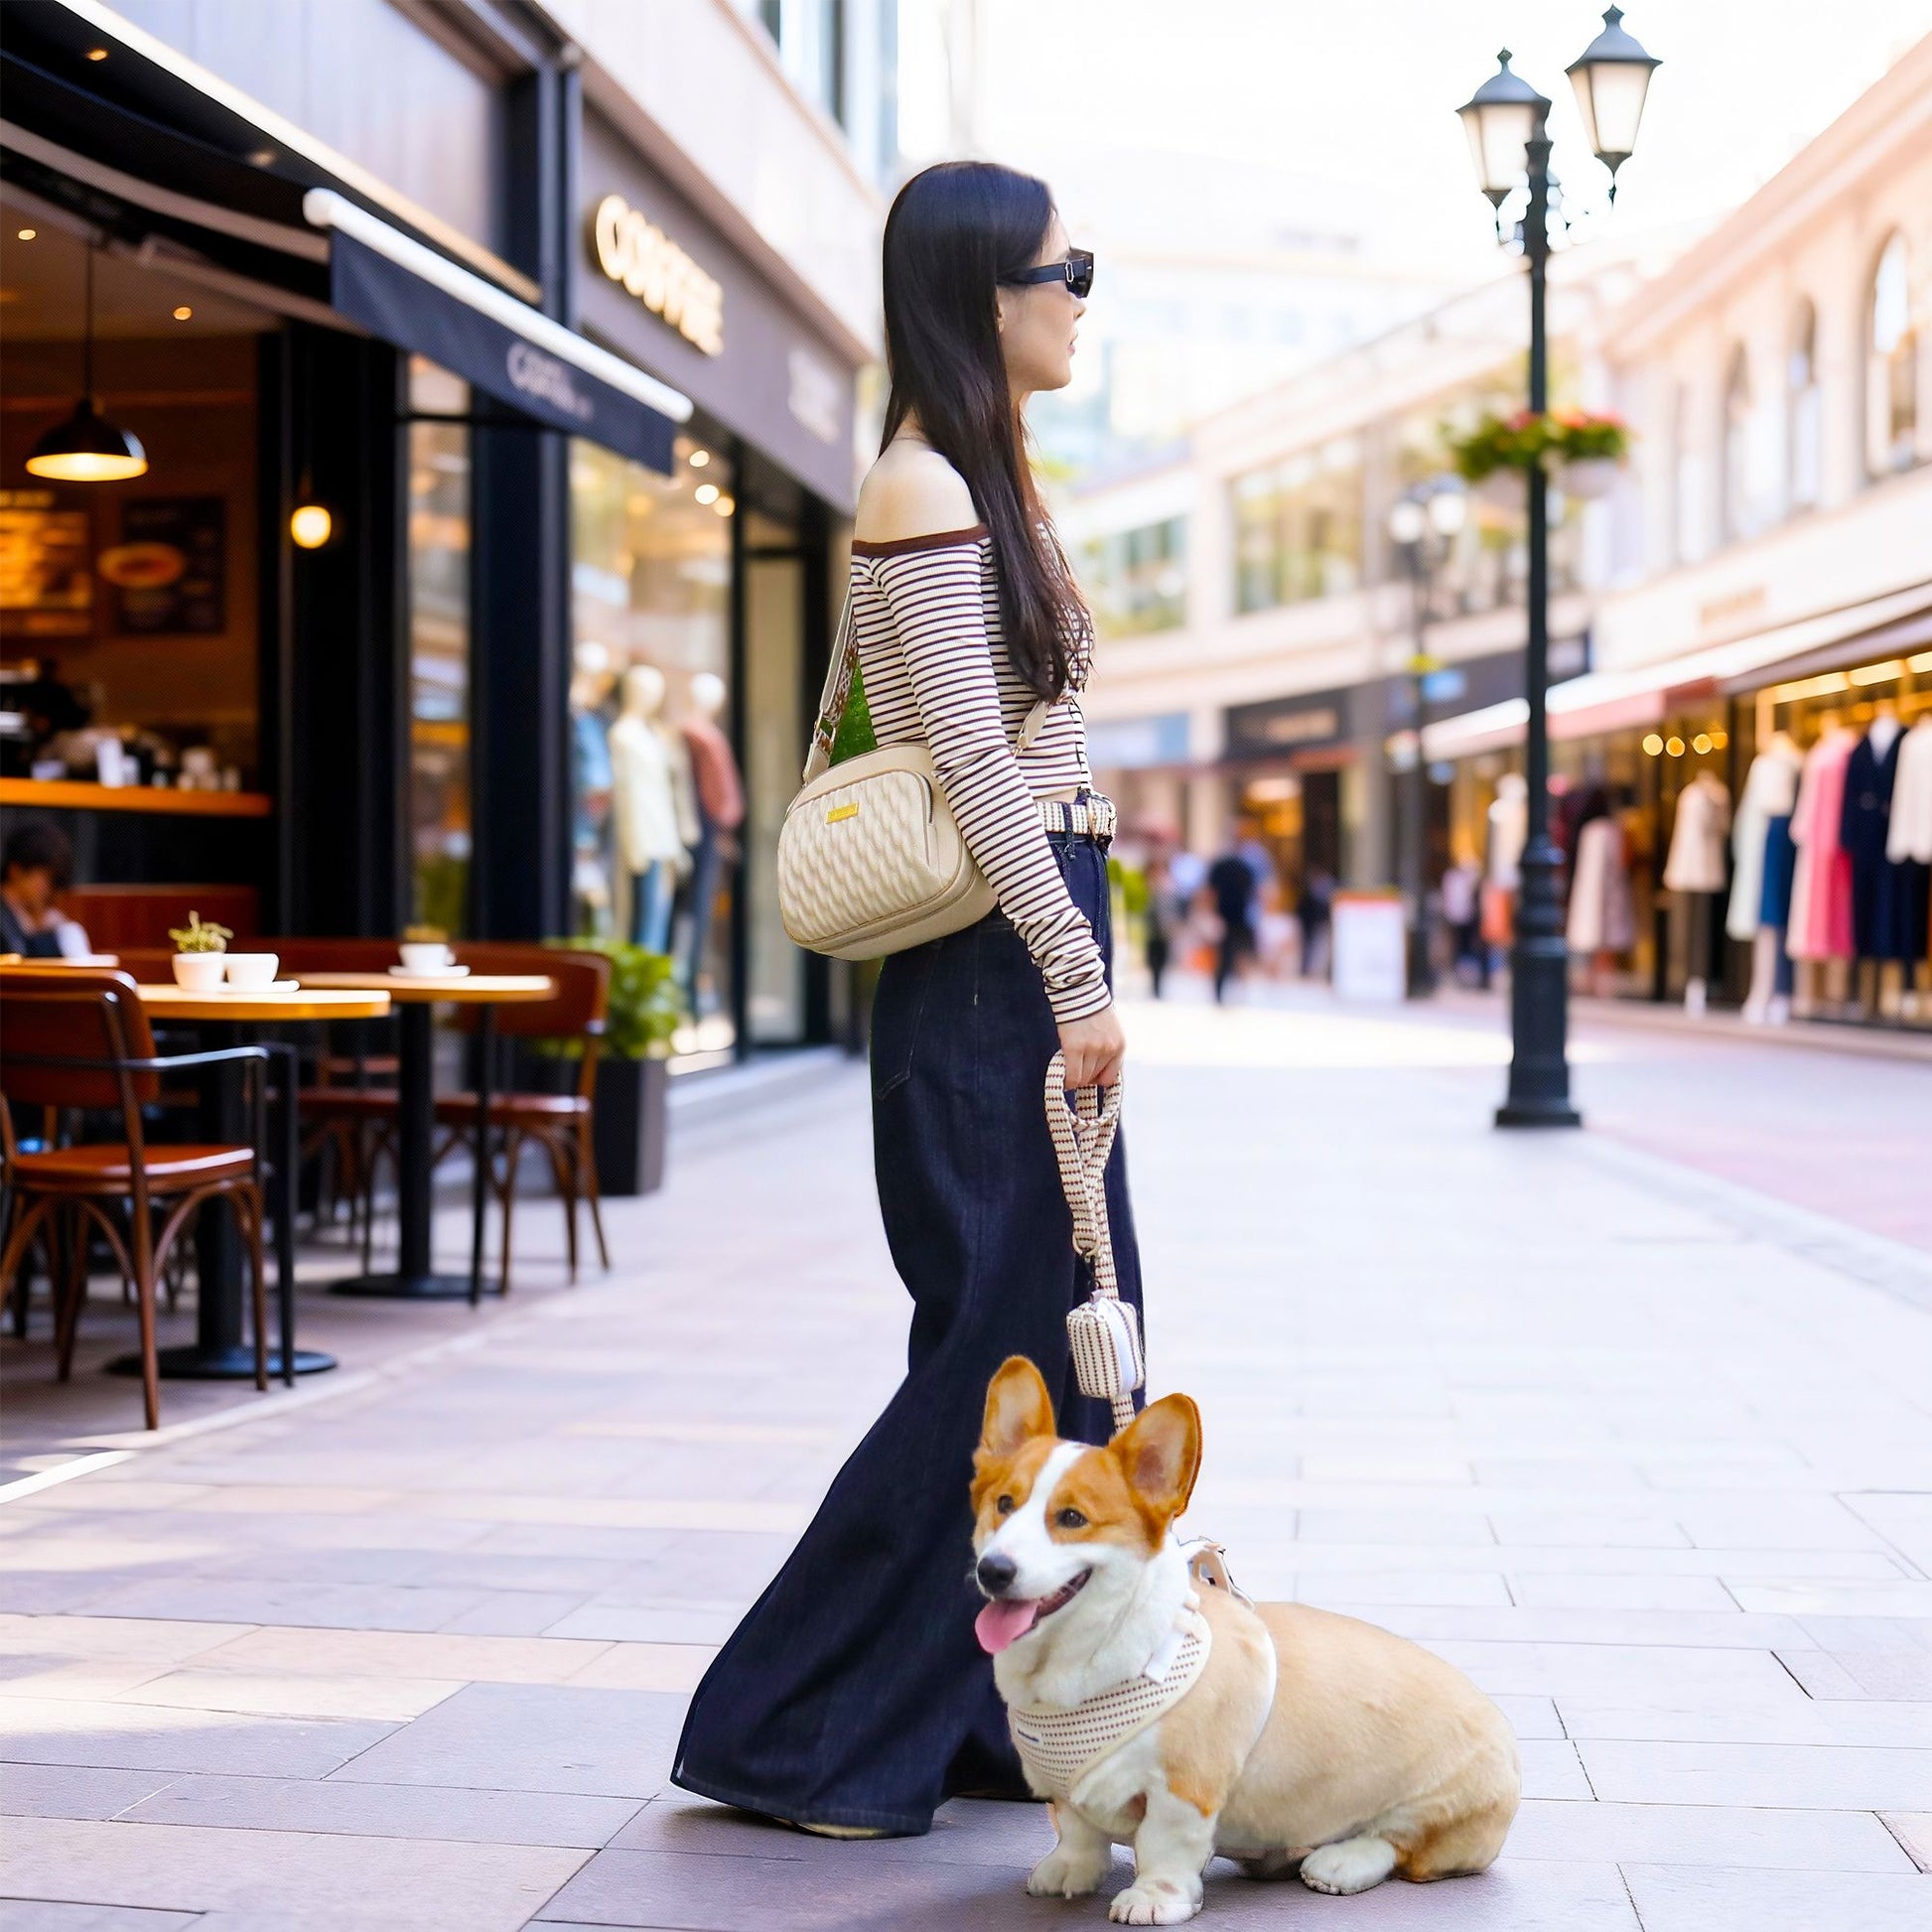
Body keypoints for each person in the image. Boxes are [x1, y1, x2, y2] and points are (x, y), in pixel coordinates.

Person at [672, 161, 1140, 1840]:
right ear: (979, 294)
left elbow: (1050, 765)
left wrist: (1089, 949)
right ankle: (794, 1728)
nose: (1081, 294)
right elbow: (970, 766)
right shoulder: (923, 488)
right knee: (988, 1367)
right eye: (1061, 268)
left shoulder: (989, 478)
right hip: (984, 976)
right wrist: (1075, 972)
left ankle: (964, 1716)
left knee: (1056, 1360)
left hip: (1028, 950)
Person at [0, 823, 89, 959]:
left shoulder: (36, 921)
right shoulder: (7, 924)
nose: (47, 890)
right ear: (16, 871)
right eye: (44, 879)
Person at [1206, 839, 1258, 1001]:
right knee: (1241, 954)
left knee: (1225, 955)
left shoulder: (1222, 866)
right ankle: (1239, 991)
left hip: (1226, 916)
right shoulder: (1245, 868)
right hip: (1239, 917)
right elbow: (1254, 893)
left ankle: (1221, 992)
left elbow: (1210, 892)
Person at [1143, 850, 1182, 997]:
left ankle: (1158, 987)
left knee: (1163, 958)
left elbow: (1174, 906)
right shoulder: (1147, 884)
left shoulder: (1170, 884)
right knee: (1153, 958)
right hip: (1151, 928)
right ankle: (1155, 986)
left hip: (1165, 928)